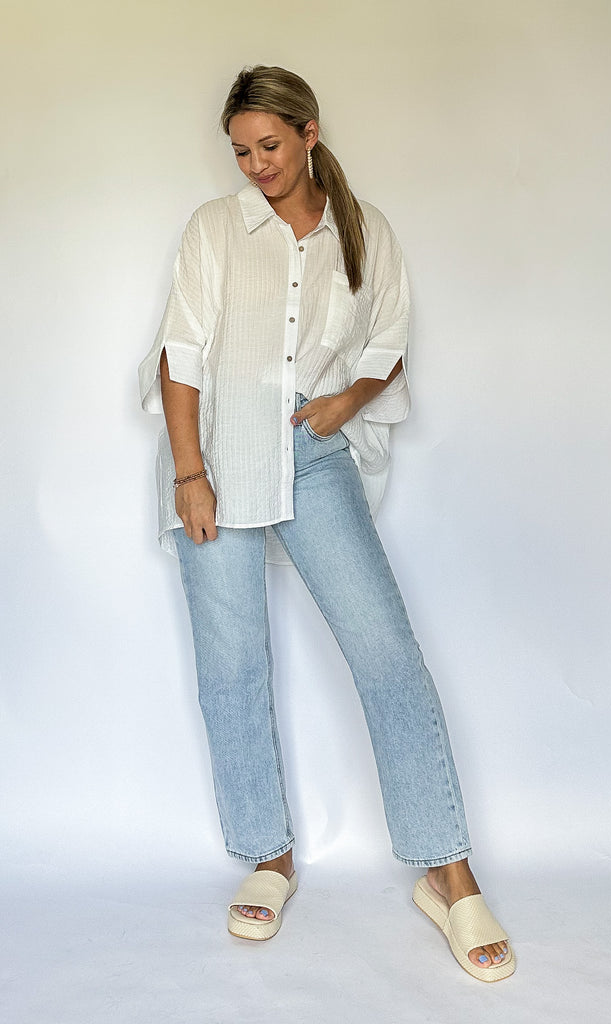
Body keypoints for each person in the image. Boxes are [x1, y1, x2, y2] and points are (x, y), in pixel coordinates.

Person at [138, 65, 515, 982]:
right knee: (232, 666)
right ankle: (268, 857)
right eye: (240, 151)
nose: (255, 165)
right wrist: (190, 474)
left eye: (269, 145)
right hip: (214, 457)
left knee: (387, 654)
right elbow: (180, 353)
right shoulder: (215, 228)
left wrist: (348, 399)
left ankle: (448, 874)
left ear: (308, 133)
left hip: (311, 455)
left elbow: (387, 340)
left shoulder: (363, 229)